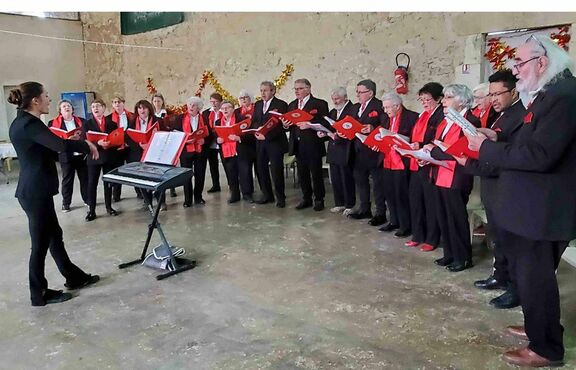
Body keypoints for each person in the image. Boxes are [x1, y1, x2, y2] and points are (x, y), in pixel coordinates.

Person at [467, 35, 576, 368]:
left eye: (519, 63)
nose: (515, 71)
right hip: (532, 206)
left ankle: (545, 348)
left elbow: (541, 155)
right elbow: (532, 137)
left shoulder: (565, 96)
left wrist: (485, 149)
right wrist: (497, 136)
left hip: (543, 209)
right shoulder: (549, 94)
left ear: (541, 62)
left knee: (535, 278)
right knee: (530, 276)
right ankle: (536, 327)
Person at [8, 81, 100, 306]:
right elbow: (59, 145)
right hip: (34, 192)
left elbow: (46, 150)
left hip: (36, 190)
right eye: (46, 96)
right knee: (40, 243)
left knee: (54, 235)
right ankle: (38, 294)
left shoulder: (24, 122)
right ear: (35, 101)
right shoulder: (29, 125)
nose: (49, 100)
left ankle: (74, 277)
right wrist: (87, 145)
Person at [464, 70, 525, 310]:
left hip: (506, 187)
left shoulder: (521, 115)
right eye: (491, 95)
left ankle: (515, 288)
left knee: (511, 242)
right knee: (498, 237)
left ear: (514, 91)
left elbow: (514, 153)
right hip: (492, 187)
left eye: (498, 94)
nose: (493, 99)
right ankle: (500, 275)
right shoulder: (501, 115)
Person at [424, 84, 479, 272]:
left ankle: (463, 257)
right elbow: (438, 143)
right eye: (444, 97)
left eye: (448, 97)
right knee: (443, 215)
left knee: (456, 217)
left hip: (457, 176)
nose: (444, 101)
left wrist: (435, 152)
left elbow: (466, 150)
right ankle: (449, 253)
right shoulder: (446, 120)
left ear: (461, 101)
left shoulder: (470, 120)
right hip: (440, 173)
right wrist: (427, 153)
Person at [404, 82, 444, 252]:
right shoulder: (422, 116)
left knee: (430, 203)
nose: (425, 103)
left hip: (430, 164)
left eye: (428, 99)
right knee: (415, 200)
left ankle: (432, 238)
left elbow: (437, 139)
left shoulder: (441, 115)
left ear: (439, 99)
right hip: (417, 162)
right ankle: (418, 234)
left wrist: (421, 147)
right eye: (422, 100)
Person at [284, 78, 330, 211]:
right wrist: (285, 125)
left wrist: (309, 125)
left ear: (308, 88)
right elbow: (289, 124)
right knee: (302, 174)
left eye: (300, 88)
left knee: (316, 173)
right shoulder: (292, 105)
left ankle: (319, 199)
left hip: (313, 144)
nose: (297, 91)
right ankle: (306, 198)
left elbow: (326, 124)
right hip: (297, 144)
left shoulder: (320, 104)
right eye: (295, 89)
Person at [347, 80, 387, 225]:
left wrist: (373, 128)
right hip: (357, 149)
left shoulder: (380, 105)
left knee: (378, 184)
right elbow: (350, 122)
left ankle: (380, 212)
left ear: (370, 92)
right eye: (356, 92)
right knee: (361, 181)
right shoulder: (355, 107)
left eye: (360, 92)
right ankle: (364, 209)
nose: (357, 95)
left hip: (374, 151)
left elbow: (387, 124)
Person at [379, 92, 418, 238]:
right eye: (384, 107)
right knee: (389, 193)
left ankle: (406, 225)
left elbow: (414, 139)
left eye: (387, 107)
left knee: (402, 194)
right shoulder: (385, 118)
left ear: (397, 105)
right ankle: (394, 220)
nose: (385, 110)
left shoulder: (412, 117)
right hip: (387, 160)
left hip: (402, 161)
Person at [251, 81, 289, 207]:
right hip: (260, 142)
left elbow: (280, 126)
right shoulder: (257, 104)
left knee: (276, 171)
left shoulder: (281, 104)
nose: (263, 93)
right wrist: (258, 129)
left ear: (273, 91)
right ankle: (267, 195)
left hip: (275, 143)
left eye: (265, 90)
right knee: (261, 169)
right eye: (261, 90)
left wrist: (266, 135)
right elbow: (254, 121)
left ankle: (280, 198)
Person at [47, 99, 88, 212]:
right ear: (60, 110)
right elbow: (52, 139)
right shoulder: (52, 123)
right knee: (67, 180)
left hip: (81, 155)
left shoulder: (82, 121)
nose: (66, 107)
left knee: (84, 178)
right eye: (64, 106)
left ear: (72, 109)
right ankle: (66, 203)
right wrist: (66, 140)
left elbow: (87, 136)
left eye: (68, 105)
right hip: (66, 156)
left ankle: (87, 199)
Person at [166, 96, 208, 207]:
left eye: (194, 105)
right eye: (189, 104)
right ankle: (188, 199)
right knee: (186, 176)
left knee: (200, 175)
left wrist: (205, 140)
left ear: (199, 108)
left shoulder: (205, 118)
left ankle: (198, 197)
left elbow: (210, 133)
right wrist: (185, 139)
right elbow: (174, 133)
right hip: (186, 151)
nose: (191, 107)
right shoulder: (180, 118)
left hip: (200, 151)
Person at [83, 99, 121, 221]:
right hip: (94, 157)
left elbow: (117, 141)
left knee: (108, 183)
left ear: (104, 108)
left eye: (98, 106)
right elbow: (84, 142)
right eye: (93, 106)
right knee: (92, 184)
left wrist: (110, 143)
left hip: (108, 157)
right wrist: (98, 143)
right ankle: (91, 210)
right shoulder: (87, 124)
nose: (95, 108)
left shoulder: (112, 123)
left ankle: (109, 207)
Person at [323, 87, 357, 215]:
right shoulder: (333, 112)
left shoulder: (352, 110)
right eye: (333, 99)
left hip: (346, 148)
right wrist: (324, 132)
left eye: (337, 99)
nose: (335, 101)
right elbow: (329, 127)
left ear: (345, 98)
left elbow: (353, 128)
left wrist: (340, 133)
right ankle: (339, 203)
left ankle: (350, 204)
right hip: (334, 148)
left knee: (346, 177)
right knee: (336, 178)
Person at [126, 100, 163, 207]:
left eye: (144, 108)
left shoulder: (157, 121)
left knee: (157, 178)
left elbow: (165, 135)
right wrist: (139, 146)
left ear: (149, 109)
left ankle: (161, 201)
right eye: (140, 108)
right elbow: (128, 138)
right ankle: (148, 201)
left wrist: (155, 139)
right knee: (142, 178)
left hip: (154, 154)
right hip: (138, 154)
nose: (142, 110)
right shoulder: (132, 122)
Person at [215, 100, 244, 203]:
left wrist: (238, 138)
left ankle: (247, 194)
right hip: (226, 152)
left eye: (227, 108)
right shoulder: (218, 122)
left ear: (233, 109)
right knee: (231, 174)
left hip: (239, 150)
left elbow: (247, 134)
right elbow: (216, 136)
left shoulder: (240, 119)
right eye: (223, 108)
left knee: (244, 173)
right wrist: (218, 140)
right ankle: (235, 195)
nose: (225, 110)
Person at [107, 96, 134, 202]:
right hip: (116, 149)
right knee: (118, 171)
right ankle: (116, 194)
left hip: (129, 147)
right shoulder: (109, 119)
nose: (117, 104)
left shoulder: (131, 116)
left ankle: (140, 192)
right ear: (112, 105)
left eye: (119, 102)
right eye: (114, 102)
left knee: (134, 170)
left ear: (123, 103)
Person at [151, 92, 176, 198]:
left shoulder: (168, 113)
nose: (157, 103)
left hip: (168, 142)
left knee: (169, 166)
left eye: (159, 101)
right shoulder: (151, 115)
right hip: (156, 143)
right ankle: (160, 190)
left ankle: (172, 187)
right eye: (155, 101)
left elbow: (173, 126)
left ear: (162, 102)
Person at [234, 90, 257, 202]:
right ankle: (247, 193)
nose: (243, 99)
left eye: (246, 97)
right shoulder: (236, 112)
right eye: (241, 97)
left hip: (257, 142)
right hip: (242, 144)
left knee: (260, 170)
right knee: (244, 170)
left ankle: (265, 191)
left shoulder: (257, 108)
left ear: (250, 98)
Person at [202, 92, 223, 193]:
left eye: (216, 102)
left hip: (222, 141)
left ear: (220, 102)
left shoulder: (224, 111)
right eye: (212, 102)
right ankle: (216, 185)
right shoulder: (206, 113)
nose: (214, 104)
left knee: (226, 164)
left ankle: (232, 185)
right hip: (210, 142)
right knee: (213, 165)